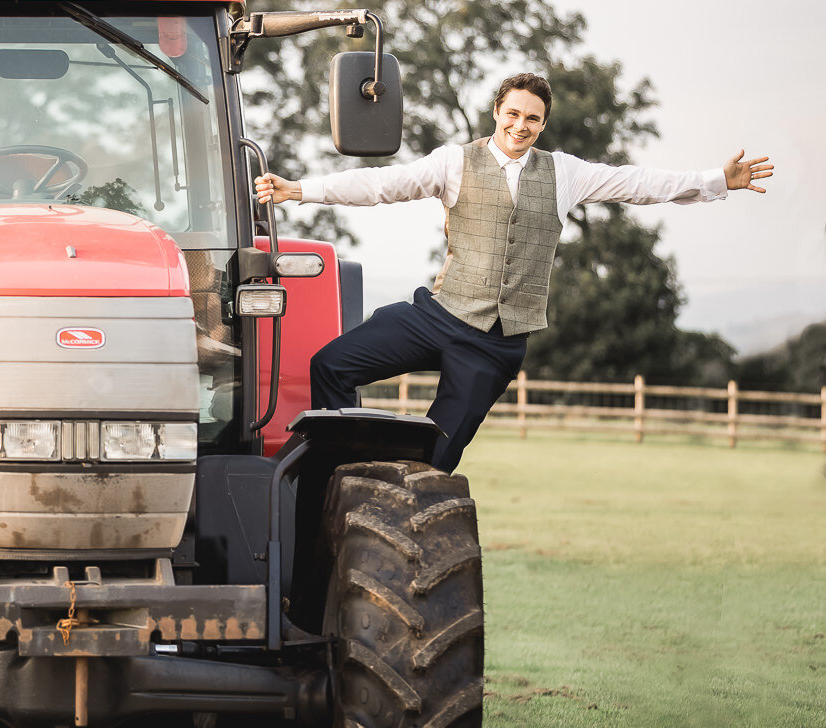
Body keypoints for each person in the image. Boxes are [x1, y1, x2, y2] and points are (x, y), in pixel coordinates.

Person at [255, 72, 772, 473]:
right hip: (438, 315)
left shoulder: (565, 173)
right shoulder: (455, 162)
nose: (521, 126)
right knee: (331, 365)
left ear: (543, 124)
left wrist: (716, 181)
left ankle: (393, 506)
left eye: (533, 119)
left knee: (434, 460)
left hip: (496, 344)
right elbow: (384, 185)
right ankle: (342, 475)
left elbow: (637, 182)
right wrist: (300, 189)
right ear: (496, 113)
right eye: (513, 114)